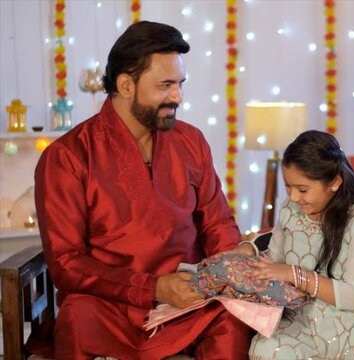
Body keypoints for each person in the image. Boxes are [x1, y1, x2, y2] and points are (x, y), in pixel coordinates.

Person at [30, 21, 255, 359]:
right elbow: (66, 262)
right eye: (165, 85)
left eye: (180, 84)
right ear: (126, 85)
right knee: (78, 319)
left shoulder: (191, 141)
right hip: (111, 306)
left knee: (234, 318)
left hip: (189, 302)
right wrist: (152, 288)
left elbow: (217, 223)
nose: (177, 96)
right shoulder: (67, 156)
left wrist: (228, 269)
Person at [247, 130, 354, 359]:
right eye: (288, 187)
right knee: (266, 350)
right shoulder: (290, 211)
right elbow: (275, 261)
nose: (292, 198)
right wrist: (247, 255)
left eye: (302, 189)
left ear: (334, 182)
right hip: (302, 323)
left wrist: (295, 275)